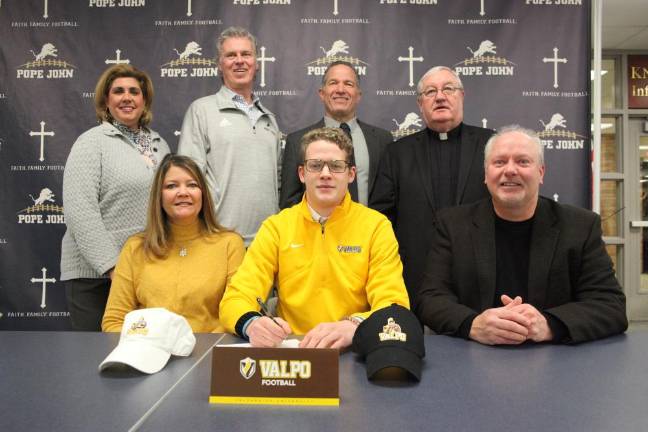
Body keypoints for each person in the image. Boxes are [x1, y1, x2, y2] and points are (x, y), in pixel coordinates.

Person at [416, 126, 628, 345]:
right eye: (499, 162)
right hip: (473, 358)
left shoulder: (580, 226)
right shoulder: (452, 225)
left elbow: (610, 305)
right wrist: (473, 324)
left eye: (522, 161)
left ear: (541, 172)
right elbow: (431, 298)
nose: (510, 170)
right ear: (486, 175)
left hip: (557, 363)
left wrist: (549, 324)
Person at [219, 128, 409, 349]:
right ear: (302, 174)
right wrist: (252, 324)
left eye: (336, 166)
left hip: (353, 348)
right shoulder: (277, 227)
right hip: (293, 351)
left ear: (351, 174)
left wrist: (355, 325)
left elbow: (394, 302)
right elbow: (236, 298)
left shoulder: (376, 226)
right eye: (315, 165)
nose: (325, 174)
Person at [370, 66, 494, 307]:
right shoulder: (398, 153)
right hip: (414, 278)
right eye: (430, 92)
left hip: (479, 277)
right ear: (420, 104)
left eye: (448, 89)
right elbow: (380, 219)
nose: (440, 96)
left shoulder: (491, 145)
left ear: (462, 96)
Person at [61, 64, 170, 331]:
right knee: (94, 357)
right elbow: (80, 212)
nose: (127, 97)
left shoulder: (159, 144)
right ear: (106, 100)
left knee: (143, 354)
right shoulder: (91, 142)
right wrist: (113, 267)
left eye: (134, 91)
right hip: (95, 277)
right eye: (118, 91)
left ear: (144, 101)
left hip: (144, 271)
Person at [102, 154, 245, 333]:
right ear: (159, 197)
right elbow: (114, 322)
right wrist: (153, 344)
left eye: (192, 185)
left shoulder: (229, 244)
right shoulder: (135, 248)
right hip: (149, 354)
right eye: (171, 186)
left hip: (208, 354)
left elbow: (236, 314)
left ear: (203, 194)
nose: (183, 192)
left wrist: (199, 350)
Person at [178, 26, 282, 246]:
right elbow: (188, 178)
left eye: (246, 54)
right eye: (230, 55)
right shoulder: (201, 110)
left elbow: (279, 182)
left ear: (256, 62)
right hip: (219, 240)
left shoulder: (269, 118)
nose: (239, 60)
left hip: (268, 243)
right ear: (220, 64)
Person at [280, 61, 392, 209]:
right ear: (322, 93)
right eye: (333, 83)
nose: (340, 89)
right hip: (318, 231)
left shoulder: (383, 140)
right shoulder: (297, 141)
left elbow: (388, 200)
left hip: (369, 230)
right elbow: (290, 203)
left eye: (348, 84)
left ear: (358, 95)